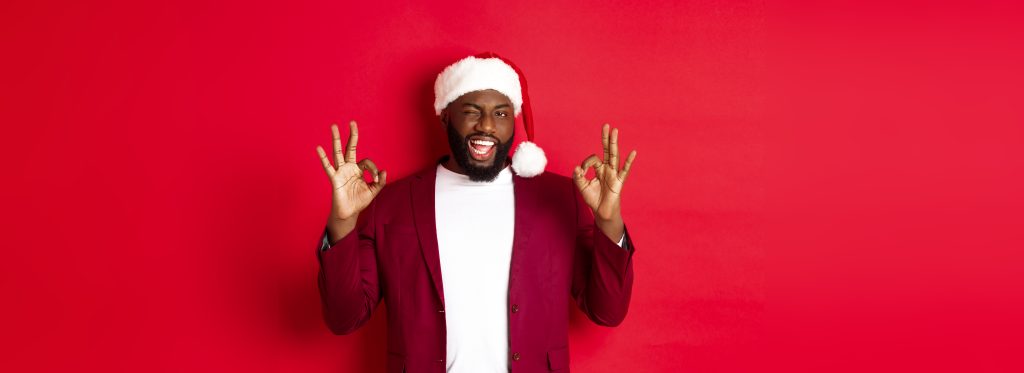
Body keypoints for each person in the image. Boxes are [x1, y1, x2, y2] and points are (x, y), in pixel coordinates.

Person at [314, 53, 638, 373]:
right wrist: (342, 221)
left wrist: (608, 221)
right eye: (471, 111)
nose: (486, 126)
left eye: (500, 113)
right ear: (445, 115)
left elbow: (607, 312)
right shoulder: (392, 203)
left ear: (514, 119)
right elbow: (344, 318)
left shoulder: (560, 198)